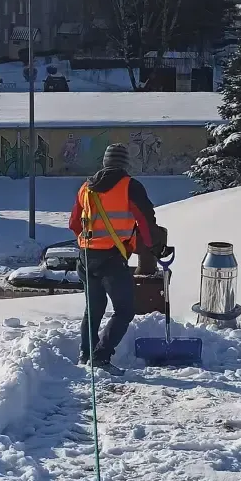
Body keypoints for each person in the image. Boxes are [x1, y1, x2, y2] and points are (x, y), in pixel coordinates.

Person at [68, 142, 163, 372]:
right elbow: (145, 221)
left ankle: (86, 353)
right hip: (112, 259)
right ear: (124, 164)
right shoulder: (130, 186)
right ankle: (101, 356)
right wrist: (155, 247)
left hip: (86, 257)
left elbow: (73, 223)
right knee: (125, 310)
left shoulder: (86, 187)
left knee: (93, 309)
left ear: (105, 163)